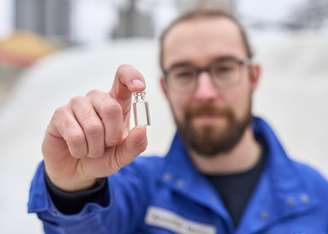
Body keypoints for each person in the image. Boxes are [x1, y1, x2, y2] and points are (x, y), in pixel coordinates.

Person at [28, 9, 328, 234]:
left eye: (223, 68)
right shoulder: (138, 188)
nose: (205, 93)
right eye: (184, 73)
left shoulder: (317, 197)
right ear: (165, 88)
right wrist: (73, 188)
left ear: (253, 76)